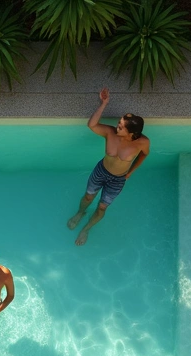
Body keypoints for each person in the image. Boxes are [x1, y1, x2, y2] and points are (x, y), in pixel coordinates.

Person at [67, 87, 150, 246]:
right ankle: (80, 213)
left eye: (120, 126)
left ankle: (86, 229)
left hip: (118, 179)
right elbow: (92, 125)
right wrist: (104, 103)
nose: (116, 126)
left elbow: (144, 154)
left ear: (131, 133)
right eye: (119, 123)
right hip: (101, 171)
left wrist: (131, 172)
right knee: (88, 197)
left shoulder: (142, 143)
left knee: (102, 208)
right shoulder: (110, 133)